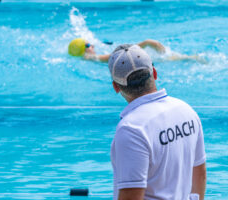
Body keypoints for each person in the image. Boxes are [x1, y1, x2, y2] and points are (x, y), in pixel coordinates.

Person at [108, 44, 207, 200]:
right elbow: (199, 175)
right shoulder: (186, 111)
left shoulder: (132, 128)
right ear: (154, 73)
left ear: (116, 87)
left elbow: (131, 195)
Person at [68, 38, 203, 63]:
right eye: (88, 46)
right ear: (83, 51)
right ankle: (192, 58)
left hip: (134, 60)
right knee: (169, 58)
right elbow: (118, 53)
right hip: (136, 60)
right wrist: (146, 43)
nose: (92, 46)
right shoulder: (92, 58)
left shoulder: (90, 58)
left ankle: (191, 58)